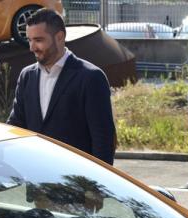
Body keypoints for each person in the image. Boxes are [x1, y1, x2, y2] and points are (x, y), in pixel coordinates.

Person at [7, 9, 116, 165]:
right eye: (29, 40)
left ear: (59, 37)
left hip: (76, 181)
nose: (32, 47)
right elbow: (16, 126)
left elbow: (103, 140)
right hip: (34, 178)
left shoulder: (91, 77)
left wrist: (97, 186)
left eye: (38, 40)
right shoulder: (27, 76)